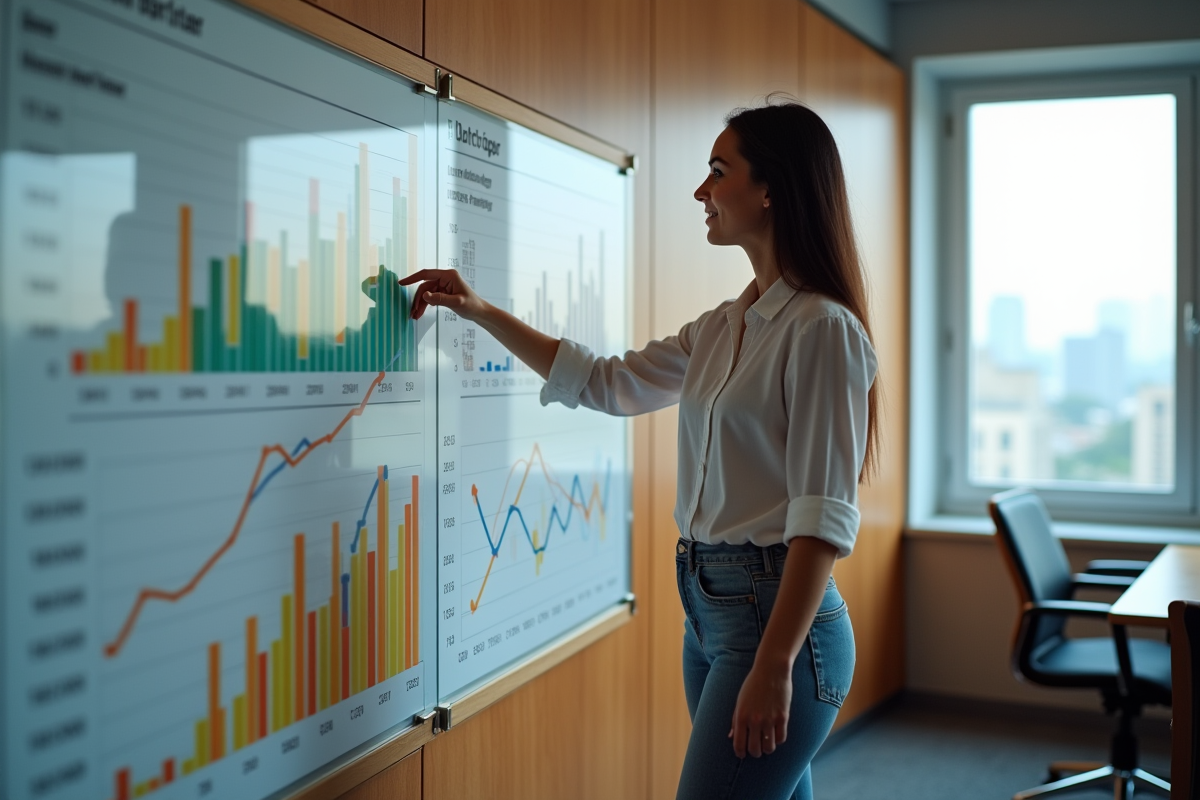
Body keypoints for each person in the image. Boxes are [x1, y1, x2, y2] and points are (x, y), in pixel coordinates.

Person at [400, 101, 879, 800]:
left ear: (770, 187)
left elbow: (821, 521)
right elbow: (606, 383)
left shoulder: (823, 331)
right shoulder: (722, 327)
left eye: (718, 172)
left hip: (778, 631)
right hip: (708, 613)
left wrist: (775, 665)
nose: (700, 192)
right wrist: (478, 311)